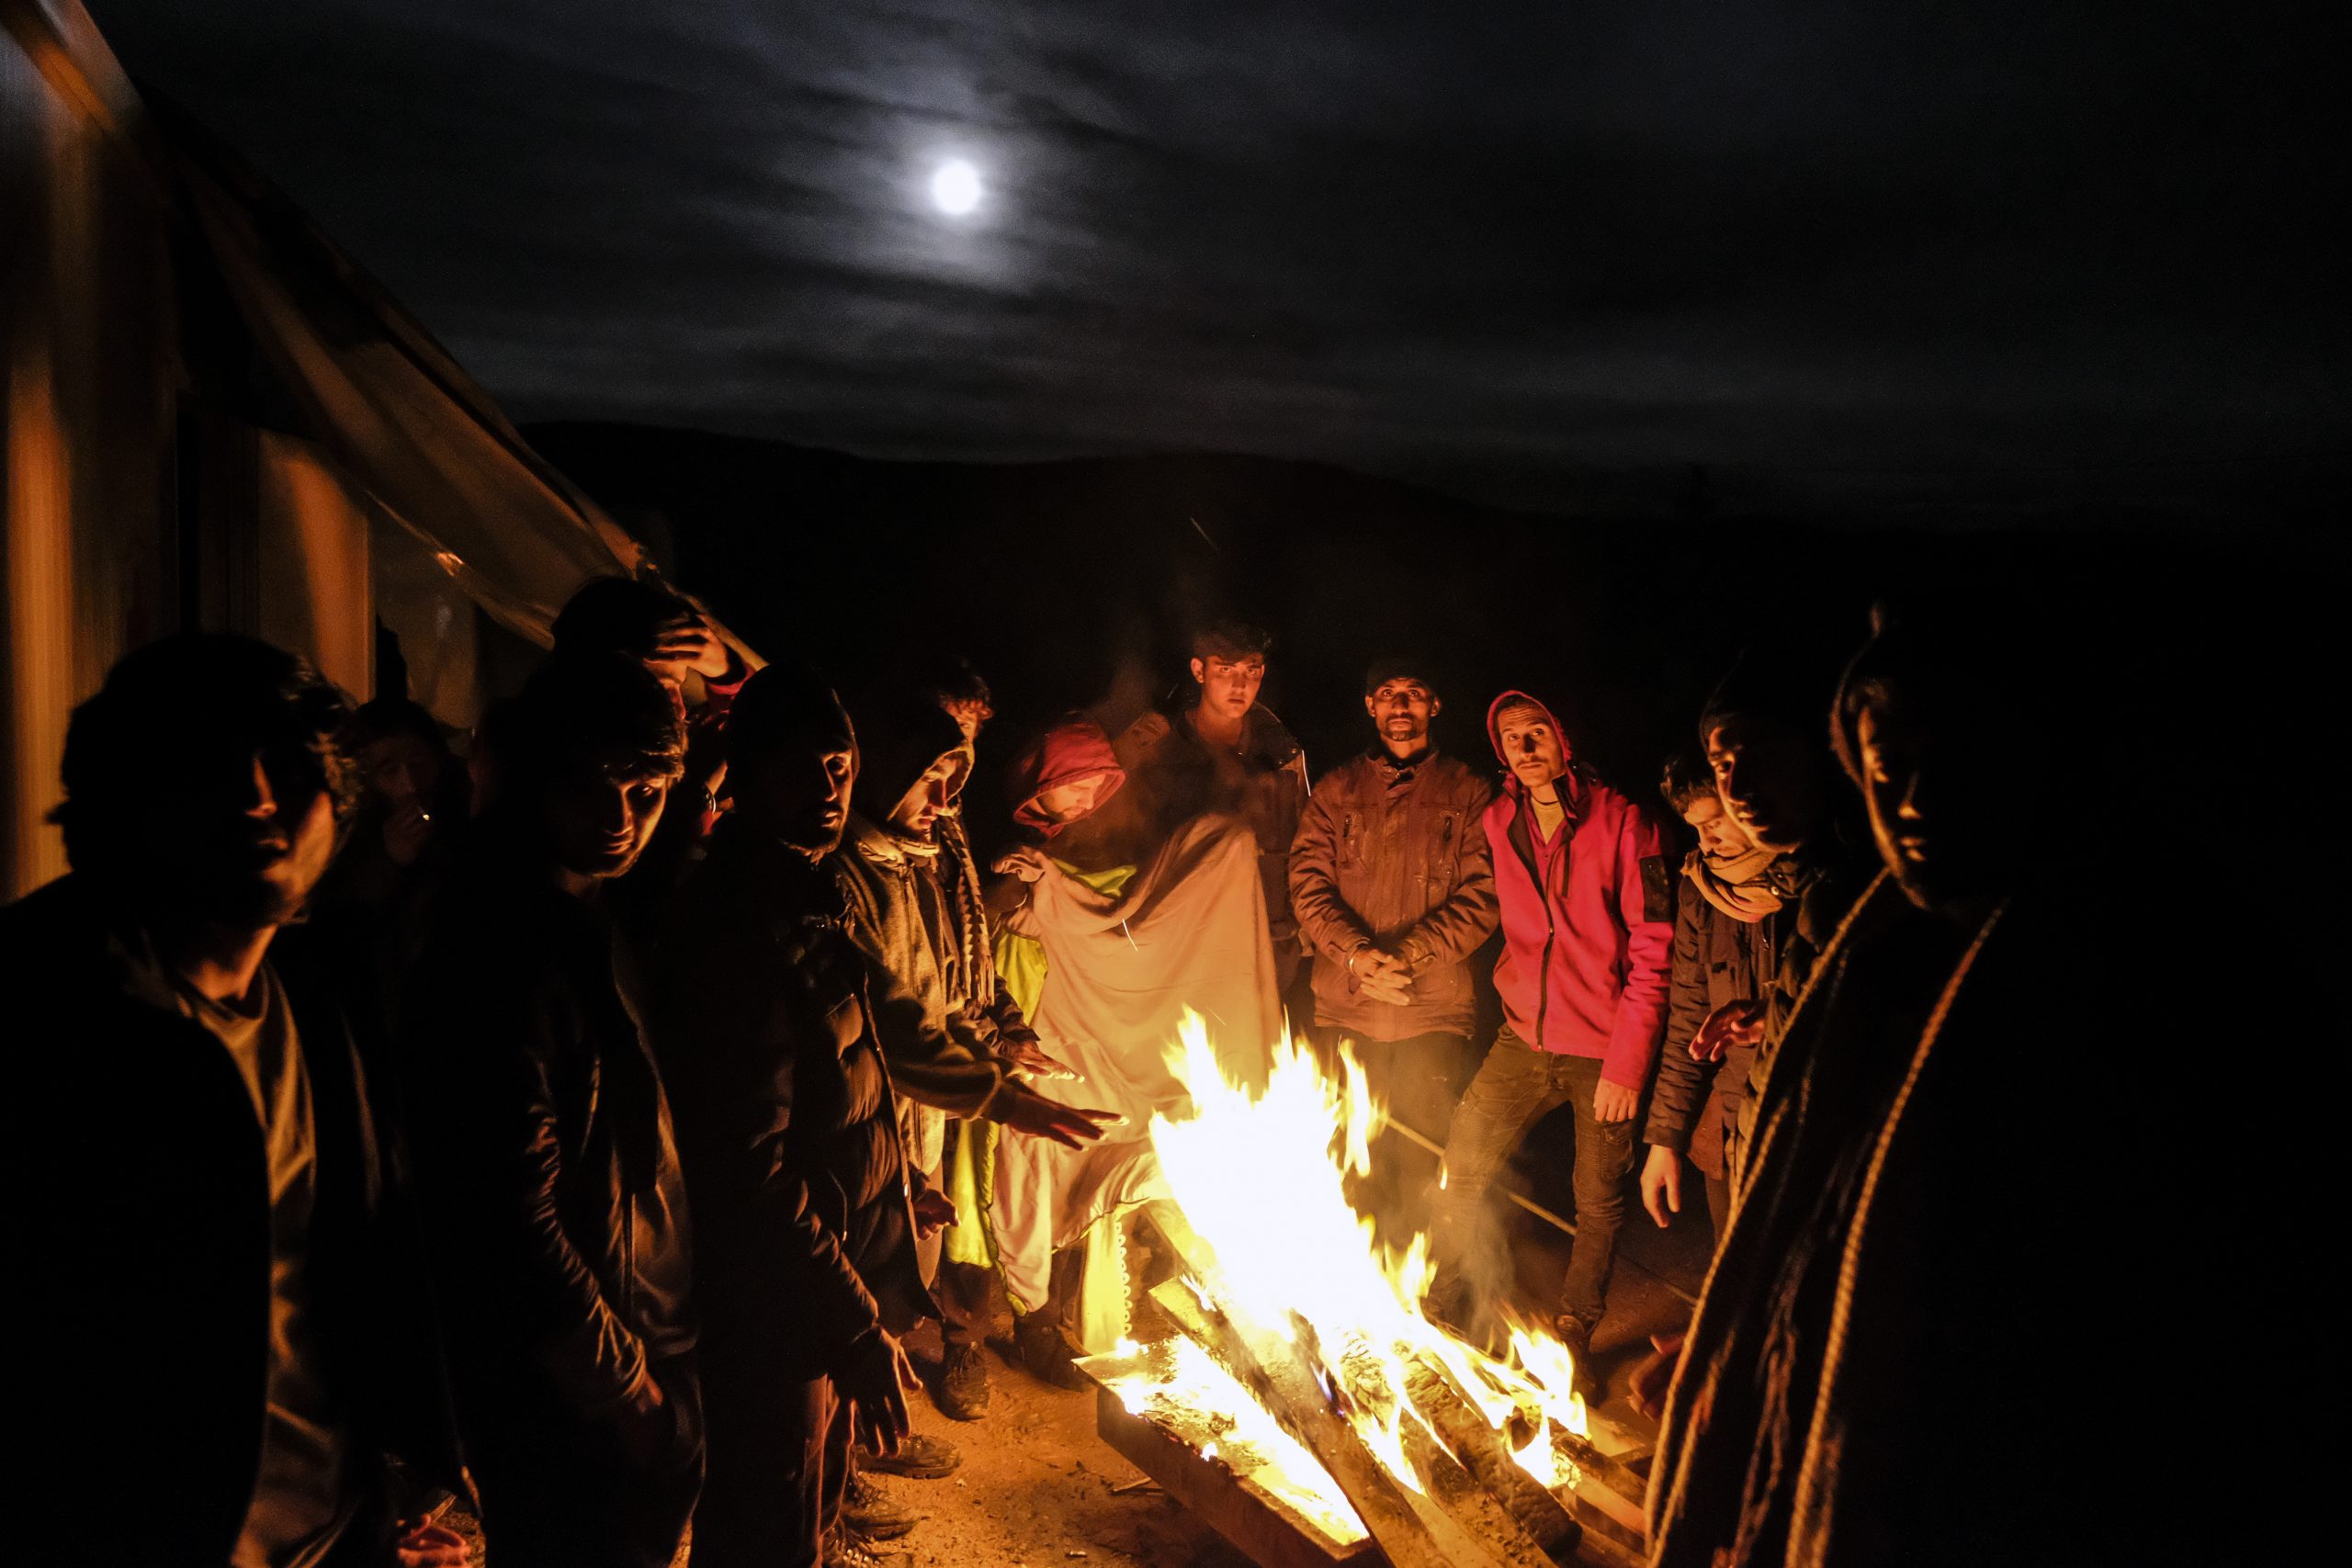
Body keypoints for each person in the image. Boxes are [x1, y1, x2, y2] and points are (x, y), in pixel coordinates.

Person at [1648, 602, 2203, 1567]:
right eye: (1885, 767)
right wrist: (1744, 1341)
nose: (1912, 800)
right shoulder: (1848, 921)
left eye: (1950, 760)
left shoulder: (2106, 982)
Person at [9, 634, 467, 1568]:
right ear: (129, 795)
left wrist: (389, 1493)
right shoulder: (44, 1013)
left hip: (332, 1530)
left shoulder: (323, 992)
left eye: (291, 767)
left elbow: (355, 1265)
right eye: (208, 769)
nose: (258, 798)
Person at [654, 669, 1114, 1568]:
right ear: (748, 776)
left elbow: (882, 1035)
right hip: (770, 1294)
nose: (827, 789)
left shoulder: (807, 895)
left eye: (838, 766)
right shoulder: (741, 920)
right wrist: (855, 1325)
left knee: (807, 1497)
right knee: (767, 1510)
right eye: (804, 771)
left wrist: (988, 1104)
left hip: (816, 1266)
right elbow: (750, 1166)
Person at [400, 656, 702, 1568]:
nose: (619, 820)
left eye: (645, 792)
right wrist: (626, 1388)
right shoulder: (500, 944)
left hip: (617, 1352)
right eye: (592, 786)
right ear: (539, 775)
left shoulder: (587, 917)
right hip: (569, 1389)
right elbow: (505, 1206)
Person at [990, 716, 1285, 1382]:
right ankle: (1015, 1323)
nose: (1089, 797)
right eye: (1075, 785)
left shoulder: (1125, 844)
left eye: (1100, 783)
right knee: (1026, 1164)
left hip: (1111, 1030)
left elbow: (1136, 921)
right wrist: (1039, 894)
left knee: (1135, 1149)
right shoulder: (1022, 855)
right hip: (1038, 1024)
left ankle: (1128, 1310)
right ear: (1042, 789)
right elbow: (1003, 913)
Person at [1424, 690, 1672, 1397]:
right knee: (1460, 1168)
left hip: (1601, 1048)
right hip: (1522, 1037)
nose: (1526, 747)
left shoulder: (1626, 822)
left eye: (1537, 732)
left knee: (1596, 1202)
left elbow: (1656, 950)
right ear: (1499, 751)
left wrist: (1627, 1064)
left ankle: (1573, 1336)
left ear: (1564, 739)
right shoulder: (1501, 821)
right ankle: (1442, 1302)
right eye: (1511, 736)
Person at [842, 688, 1057, 1425]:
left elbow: (956, 980)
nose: (946, 796)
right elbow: (896, 1028)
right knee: (845, 1300)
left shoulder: (922, 859)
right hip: (861, 1127)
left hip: (917, 1117)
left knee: (907, 1264)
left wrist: (1003, 1034)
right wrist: (1005, 1094)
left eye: (955, 773)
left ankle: (858, 1452)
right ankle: (842, 1470)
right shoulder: (853, 877)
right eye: (930, 775)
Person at [1288, 658, 1498, 1226]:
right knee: (1351, 1161)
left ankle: (1421, 1290)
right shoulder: (1335, 790)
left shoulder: (1470, 791)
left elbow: (1487, 894)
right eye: (1387, 693)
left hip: (1432, 1012)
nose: (1400, 706)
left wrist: (1407, 955)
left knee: (1426, 1161)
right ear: (1370, 706)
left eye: (1413, 693)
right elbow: (1307, 885)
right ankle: (1357, 1295)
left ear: (1434, 705)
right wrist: (1358, 955)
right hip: (1348, 1009)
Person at [1691, 652, 1878, 1189]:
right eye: (1723, 765)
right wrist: (1777, 1015)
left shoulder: (1864, 894)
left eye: (1759, 756)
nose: (1738, 788)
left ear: (1824, 752)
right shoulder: (1819, 885)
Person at [1114, 621, 1311, 988]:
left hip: (1262, 927)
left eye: (1250, 671)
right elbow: (1116, 828)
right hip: (1176, 927)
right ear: (1198, 670)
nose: (1240, 685)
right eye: (1225, 670)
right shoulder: (1158, 743)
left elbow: (1304, 842)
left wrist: (1292, 928)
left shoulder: (1280, 749)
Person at [1638, 751, 1776, 1243]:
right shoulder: (1701, 889)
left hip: (1805, 1120)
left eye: (1716, 822)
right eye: (1695, 828)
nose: (1706, 841)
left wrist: (1774, 1018)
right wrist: (1664, 1141)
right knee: (1734, 1273)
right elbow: (1688, 1021)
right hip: (1732, 1118)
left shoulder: (1806, 882)